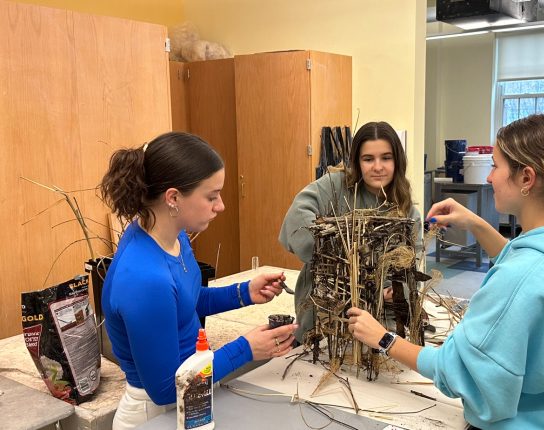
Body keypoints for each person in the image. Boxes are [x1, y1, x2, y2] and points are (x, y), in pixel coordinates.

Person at [347, 112, 544, 429]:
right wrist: (476, 223)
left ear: (527, 178)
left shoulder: (517, 281)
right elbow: (542, 256)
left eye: (495, 165)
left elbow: (457, 372)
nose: (490, 177)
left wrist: (383, 339)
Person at [99, 131, 297, 429]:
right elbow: (165, 388)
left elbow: (186, 301)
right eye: (211, 196)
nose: (221, 206)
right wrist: (245, 348)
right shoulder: (144, 279)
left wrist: (244, 292)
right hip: (156, 414)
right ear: (174, 198)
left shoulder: (171, 234)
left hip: (190, 397)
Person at [279, 121, 421, 343]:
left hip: (378, 326)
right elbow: (298, 216)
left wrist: (391, 293)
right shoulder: (336, 187)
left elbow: (409, 271)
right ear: (357, 161)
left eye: (386, 157)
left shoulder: (406, 210)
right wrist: (341, 259)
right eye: (368, 159)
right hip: (322, 319)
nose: (377, 167)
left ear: (398, 160)